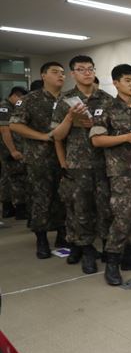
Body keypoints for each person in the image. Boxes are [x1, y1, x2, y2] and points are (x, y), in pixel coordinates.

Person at [90, 64, 131, 285]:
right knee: (121, 218)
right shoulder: (105, 108)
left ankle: (129, 256)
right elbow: (97, 140)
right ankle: (112, 262)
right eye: (128, 80)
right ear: (116, 83)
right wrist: (125, 138)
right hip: (120, 173)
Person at [51, 55, 113, 273]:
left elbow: (116, 130)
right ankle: (86, 250)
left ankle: (107, 246)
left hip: (105, 162)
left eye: (90, 69)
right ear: (73, 73)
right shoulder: (65, 100)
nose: (87, 73)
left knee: (105, 207)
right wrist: (69, 118)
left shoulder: (106, 99)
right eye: (81, 69)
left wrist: (94, 125)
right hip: (78, 165)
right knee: (81, 209)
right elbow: (57, 136)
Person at [10, 62, 67, 258]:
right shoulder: (29, 100)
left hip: (65, 157)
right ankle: (41, 239)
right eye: (55, 72)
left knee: (63, 197)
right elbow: (15, 125)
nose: (60, 76)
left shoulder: (68, 99)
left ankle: (62, 234)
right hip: (39, 158)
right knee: (40, 199)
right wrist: (42, 137)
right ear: (43, 75)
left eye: (62, 73)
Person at [0, 86, 29, 220]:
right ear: (15, 96)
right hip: (10, 149)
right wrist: (13, 150)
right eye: (20, 99)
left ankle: (9, 208)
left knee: (9, 178)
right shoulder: (4, 107)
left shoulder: (11, 107)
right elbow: (5, 130)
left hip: (13, 148)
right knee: (17, 179)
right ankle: (19, 209)